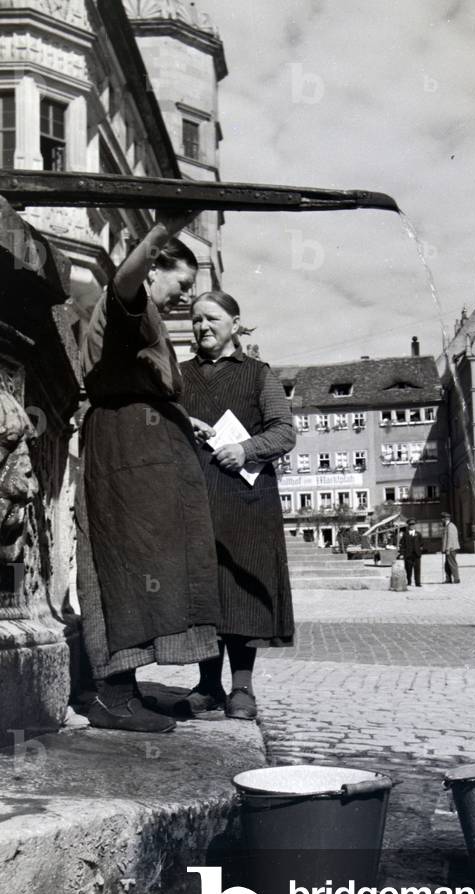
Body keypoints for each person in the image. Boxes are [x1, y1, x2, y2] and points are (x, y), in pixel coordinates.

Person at [77, 213, 220, 733]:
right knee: (128, 564)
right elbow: (123, 284)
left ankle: (127, 690)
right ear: (156, 266)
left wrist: (184, 421)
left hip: (141, 448)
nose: (185, 297)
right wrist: (161, 230)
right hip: (127, 456)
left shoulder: (151, 322)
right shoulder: (131, 307)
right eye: (182, 284)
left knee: (145, 565)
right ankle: (114, 698)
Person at [178, 291, 296, 720]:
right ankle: (207, 685)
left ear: (235, 323)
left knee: (243, 591)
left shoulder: (258, 374)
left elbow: (284, 432)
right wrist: (180, 422)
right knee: (204, 592)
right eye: (195, 321)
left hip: (246, 500)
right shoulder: (179, 376)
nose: (202, 327)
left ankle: (241, 689)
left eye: (211, 319)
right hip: (195, 497)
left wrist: (246, 449)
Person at [399, 519, 423, 587]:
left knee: (417, 569)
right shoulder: (405, 534)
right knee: (408, 569)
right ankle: (409, 581)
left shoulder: (418, 534)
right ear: (408, 526)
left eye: (413, 524)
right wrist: (402, 554)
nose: (412, 526)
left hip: (416, 554)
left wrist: (420, 551)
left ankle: (417, 583)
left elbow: (421, 544)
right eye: (410, 525)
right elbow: (402, 545)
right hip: (408, 555)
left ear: (415, 525)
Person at [441, 511, 460, 584]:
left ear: (445, 519)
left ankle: (456, 578)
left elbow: (450, 538)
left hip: (451, 549)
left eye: (442, 519)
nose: (441, 520)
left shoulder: (450, 526)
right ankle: (448, 579)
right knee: (447, 565)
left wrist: (448, 548)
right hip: (449, 549)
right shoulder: (447, 526)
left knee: (452, 563)